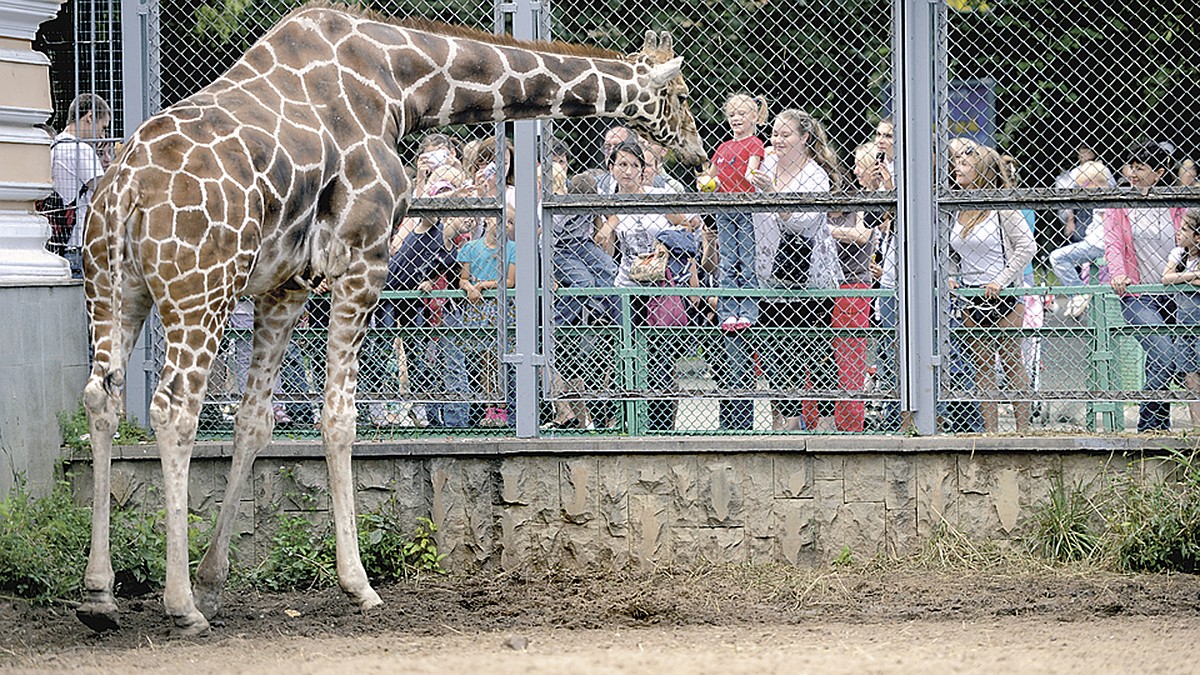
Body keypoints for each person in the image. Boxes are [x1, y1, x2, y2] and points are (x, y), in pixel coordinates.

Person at [749, 109, 844, 431]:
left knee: (815, 347)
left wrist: (774, 196)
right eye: (775, 133)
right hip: (771, 269)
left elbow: (804, 222)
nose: (777, 140)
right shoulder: (767, 166)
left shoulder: (815, 174)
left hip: (809, 272)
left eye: (786, 134)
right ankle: (789, 419)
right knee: (778, 348)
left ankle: (827, 420)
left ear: (804, 138)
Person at [596, 140, 698, 432]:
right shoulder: (610, 204)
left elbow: (689, 225)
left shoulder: (658, 196)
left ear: (643, 171)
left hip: (659, 287)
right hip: (628, 284)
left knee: (660, 358)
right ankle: (627, 422)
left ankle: (662, 425)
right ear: (612, 168)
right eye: (622, 164)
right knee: (626, 355)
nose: (627, 171)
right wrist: (605, 231)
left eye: (634, 165)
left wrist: (667, 242)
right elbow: (609, 245)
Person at [947, 142, 1037, 433]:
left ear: (982, 170)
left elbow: (1027, 246)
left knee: (1012, 361)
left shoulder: (1001, 208)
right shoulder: (955, 207)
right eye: (956, 162)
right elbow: (949, 251)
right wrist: (951, 275)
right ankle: (991, 432)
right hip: (971, 296)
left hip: (1004, 294)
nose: (956, 167)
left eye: (965, 163)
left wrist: (1002, 279)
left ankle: (1022, 431)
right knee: (983, 366)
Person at [382, 164, 475, 428]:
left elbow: (439, 272)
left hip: (414, 302)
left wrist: (429, 281)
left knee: (418, 356)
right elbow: (429, 209)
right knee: (380, 349)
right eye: (464, 214)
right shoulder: (431, 227)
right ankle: (377, 407)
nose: (470, 220)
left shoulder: (454, 251)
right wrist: (454, 192)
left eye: (473, 217)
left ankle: (427, 413)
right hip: (389, 292)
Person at [1104, 140, 1186, 432]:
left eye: (1141, 167)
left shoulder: (1177, 203)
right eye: (1130, 166)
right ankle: (1146, 424)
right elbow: (1113, 243)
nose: (1133, 173)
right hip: (1138, 294)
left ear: (1159, 172)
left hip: (1176, 293)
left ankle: (1156, 427)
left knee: (1160, 359)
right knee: (1165, 354)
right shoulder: (1121, 205)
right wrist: (1117, 273)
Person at [701, 93, 768, 333]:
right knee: (728, 260)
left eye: (741, 113)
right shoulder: (723, 147)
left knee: (747, 260)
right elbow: (712, 174)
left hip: (745, 207)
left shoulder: (755, 143)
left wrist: (751, 176)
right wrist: (707, 183)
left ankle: (748, 311)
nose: (736, 118)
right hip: (724, 208)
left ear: (754, 116)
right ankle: (728, 312)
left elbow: (752, 168)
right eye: (731, 114)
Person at [456, 193, 518, 428]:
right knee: (485, 360)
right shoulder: (471, 247)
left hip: (500, 308)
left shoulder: (512, 248)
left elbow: (509, 281)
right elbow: (463, 279)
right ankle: (488, 407)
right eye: (502, 219)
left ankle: (503, 408)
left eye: (510, 223)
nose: (505, 225)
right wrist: (470, 286)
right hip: (479, 308)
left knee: (502, 359)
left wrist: (483, 285)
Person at [50, 93, 112, 278]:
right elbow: (105, 193)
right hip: (79, 242)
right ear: (90, 117)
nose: (102, 134)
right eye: (103, 127)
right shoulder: (81, 149)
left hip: (59, 241)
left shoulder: (54, 145)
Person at [1048, 160, 1113, 318]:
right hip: (1093, 241)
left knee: (1057, 257)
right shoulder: (1103, 196)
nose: (1081, 190)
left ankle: (1078, 292)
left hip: (1097, 244)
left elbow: (1108, 226)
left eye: (1084, 185)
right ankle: (1080, 294)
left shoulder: (1105, 198)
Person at [1161, 209, 1200, 428]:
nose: (1179, 232)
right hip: (1184, 325)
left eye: (1185, 229)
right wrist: (1193, 276)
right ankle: (1197, 428)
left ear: (1197, 237)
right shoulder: (1179, 254)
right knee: (1190, 377)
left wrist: (1181, 280)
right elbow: (1166, 277)